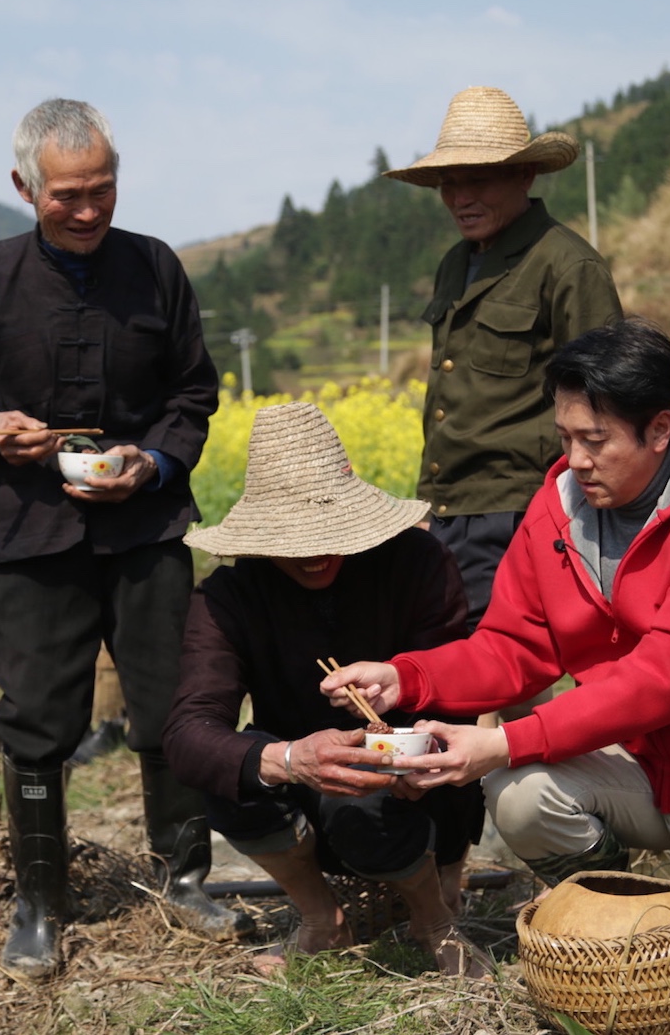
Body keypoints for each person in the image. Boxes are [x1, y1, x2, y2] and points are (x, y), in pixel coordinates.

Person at [323, 319, 670, 1026]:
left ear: (659, 429)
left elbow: (667, 677)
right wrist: (406, 678)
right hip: (631, 771)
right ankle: (615, 909)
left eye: (593, 440)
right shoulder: (557, 509)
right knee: (520, 794)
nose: (573, 459)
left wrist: (504, 740)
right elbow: (514, 646)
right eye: (565, 437)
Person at [0, 97, 250, 979]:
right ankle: (41, 899)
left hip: (145, 528)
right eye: (69, 195)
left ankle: (184, 879)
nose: (91, 210)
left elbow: (193, 395)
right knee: (33, 719)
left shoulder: (158, 270)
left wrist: (158, 464)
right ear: (24, 188)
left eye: (104, 189)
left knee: (174, 701)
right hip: (30, 531)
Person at [163, 401, 489, 977]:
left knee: (360, 802)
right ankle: (321, 919)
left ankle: (434, 918)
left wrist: (420, 752)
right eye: (295, 540)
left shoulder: (417, 562)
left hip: (414, 784)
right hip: (300, 791)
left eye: (328, 533)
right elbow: (188, 730)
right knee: (225, 773)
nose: (314, 554)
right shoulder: (229, 597)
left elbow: (457, 681)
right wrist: (287, 758)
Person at [384, 85, 623, 632]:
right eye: (449, 181)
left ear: (525, 176)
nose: (460, 196)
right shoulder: (455, 263)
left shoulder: (568, 266)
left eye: (479, 178)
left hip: (521, 506)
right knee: (480, 662)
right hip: (452, 508)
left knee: (487, 660)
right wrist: (430, 504)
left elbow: (606, 404)